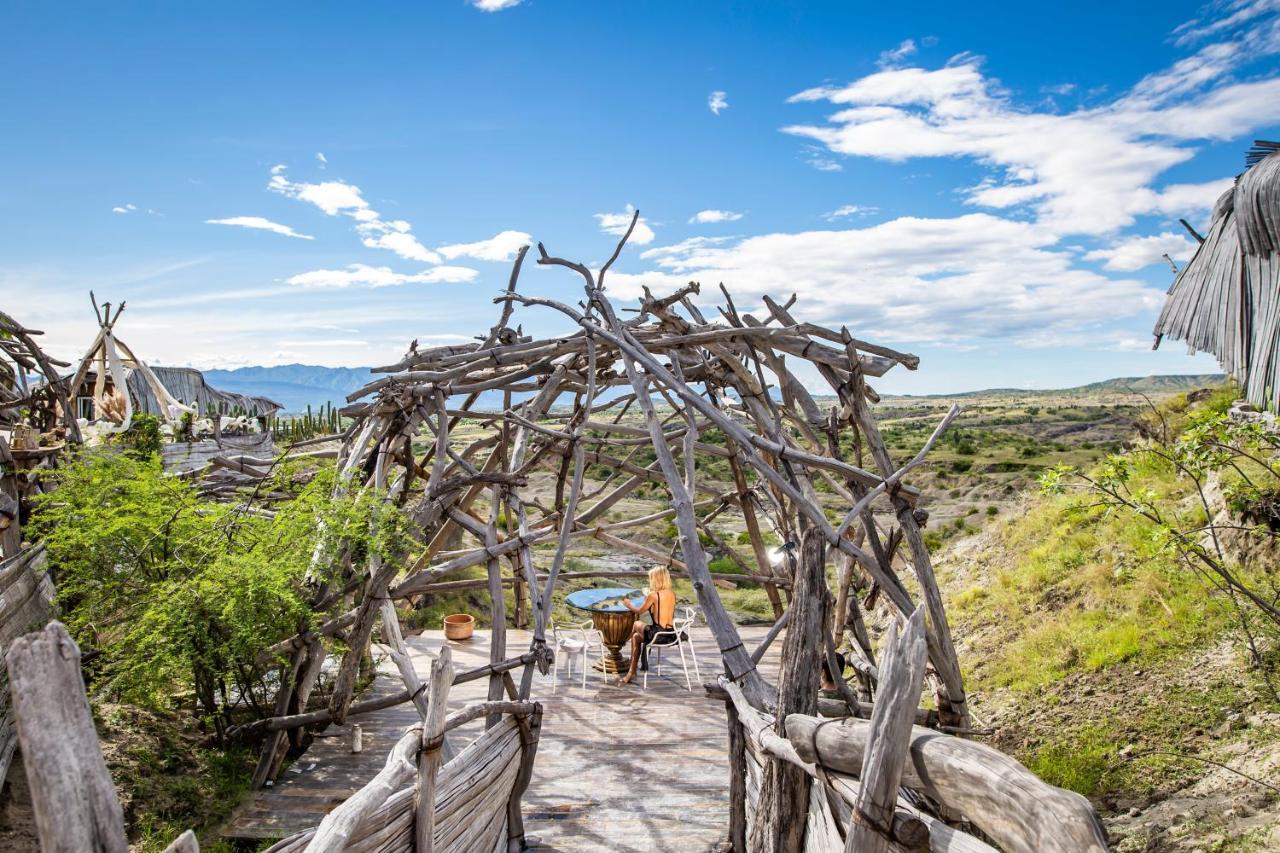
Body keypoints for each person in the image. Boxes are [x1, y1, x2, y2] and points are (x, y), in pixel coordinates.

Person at [618, 566, 677, 685]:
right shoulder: (672, 594)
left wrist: (628, 604)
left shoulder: (654, 595)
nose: (650, 581)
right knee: (635, 637)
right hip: (670, 634)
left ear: (656, 579)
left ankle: (623, 640)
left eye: (651, 578)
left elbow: (639, 611)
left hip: (658, 635)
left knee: (635, 623)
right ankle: (631, 671)